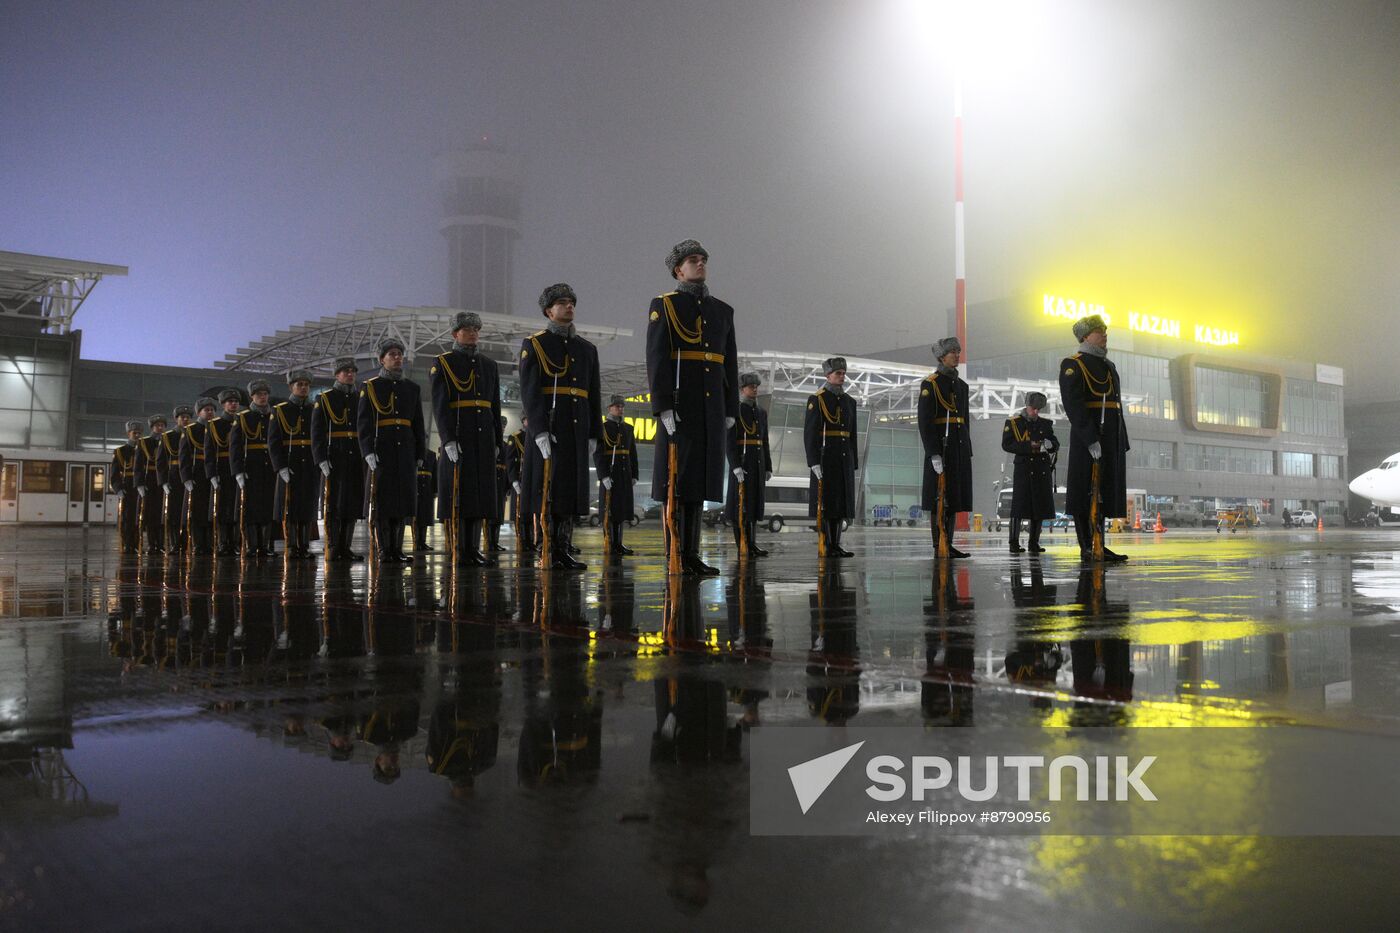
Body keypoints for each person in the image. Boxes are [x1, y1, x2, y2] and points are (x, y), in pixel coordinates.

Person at [646, 239, 739, 576]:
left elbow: (730, 365)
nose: (700, 264)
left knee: (699, 483)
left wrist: (731, 408)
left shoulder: (722, 311)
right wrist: (663, 407)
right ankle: (675, 554)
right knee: (678, 482)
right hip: (681, 407)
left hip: (711, 408)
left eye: (703, 259)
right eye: (692, 260)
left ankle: (692, 554)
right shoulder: (665, 306)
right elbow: (657, 359)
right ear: (678, 269)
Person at [520, 283, 601, 571]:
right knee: (548, 489)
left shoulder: (586, 349)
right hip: (551, 427)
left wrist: (594, 432)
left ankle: (564, 547)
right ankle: (547, 546)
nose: (569, 307)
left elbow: (593, 394)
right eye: (562, 303)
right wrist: (539, 429)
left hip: (577, 428)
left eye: (571, 302)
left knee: (569, 491)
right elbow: (530, 391)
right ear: (548, 310)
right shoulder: (535, 344)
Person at [429, 311, 504, 566]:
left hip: (483, 439)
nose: (472, 332)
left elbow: (495, 406)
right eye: (467, 329)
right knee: (460, 496)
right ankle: (460, 549)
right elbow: (440, 406)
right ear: (455, 334)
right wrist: (448, 439)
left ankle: (473, 549)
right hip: (460, 437)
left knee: (480, 496)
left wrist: (496, 440)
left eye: (475, 329)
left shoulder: (489, 365)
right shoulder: (444, 363)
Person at [1059, 315, 1130, 562]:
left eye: (1105, 330)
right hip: (1087, 439)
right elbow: (1074, 405)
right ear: (1085, 336)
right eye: (1099, 331)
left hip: (1110, 438)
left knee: (1103, 492)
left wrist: (1122, 440)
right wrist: (1090, 438)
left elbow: (1116, 406)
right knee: (1084, 492)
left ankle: (1099, 542)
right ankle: (1087, 545)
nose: (1105, 334)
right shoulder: (1073, 364)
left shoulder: (1108, 366)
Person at [358, 337, 427, 563]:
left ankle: (397, 548)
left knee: (402, 502)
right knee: (383, 502)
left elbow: (418, 423)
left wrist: (419, 453)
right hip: (382, 451)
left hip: (405, 451)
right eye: (392, 355)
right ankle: (383, 549)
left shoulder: (412, 388)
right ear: (382, 360)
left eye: (399, 354)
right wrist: (367, 450)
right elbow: (364, 422)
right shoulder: (371, 387)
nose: (397, 358)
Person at [920, 337, 973, 559]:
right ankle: (938, 544)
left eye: (958, 352)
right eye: (952, 352)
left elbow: (964, 420)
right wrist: (933, 452)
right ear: (942, 356)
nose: (957, 356)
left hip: (958, 448)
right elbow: (925, 420)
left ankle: (948, 543)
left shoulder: (961, 386)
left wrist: (967, 450)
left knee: (953, 498)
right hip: (941, 448)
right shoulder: (931, 384)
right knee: (938, 499)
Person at [805, 357, 859, 558]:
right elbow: (810, 433)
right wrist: (813, 461)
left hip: (844, 458)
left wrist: (854, 461)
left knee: (841, 504)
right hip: (826, 458)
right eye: (838, 373)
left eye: (844, 373)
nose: (842, 377)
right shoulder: (817, 399)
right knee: (827, 503)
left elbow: (852, 434)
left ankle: (836, 544)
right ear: (828, 375)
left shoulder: (849, 402)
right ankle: (827, 543)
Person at [312, 358, 365, 561]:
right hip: (335, 455)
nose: (350, 374)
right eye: (345, 371)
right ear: (337, 374)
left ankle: (346, 546)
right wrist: (321, 458)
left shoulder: (360, 397)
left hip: (355, 455)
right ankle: (333, 545)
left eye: (352, 371)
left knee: (352, 502)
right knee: (333, 502)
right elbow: (317, 432)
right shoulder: (325, 399)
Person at [268, 370, 318, 559]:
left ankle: (304, 545)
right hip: (290, 464)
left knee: (307, 506)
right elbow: (273, 442)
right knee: (290, 506)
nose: (303, 388)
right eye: (299, 384)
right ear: (291, 387)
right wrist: (280, 466)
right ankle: (291, 545)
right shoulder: (280, 410)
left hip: (309, 464)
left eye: (306, 384)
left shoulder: (315, 409)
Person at [1001, 390, 1059, 554]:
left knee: (1039, 507)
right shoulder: (1013, 423)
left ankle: (1034, 542)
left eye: (1038, 409)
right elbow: (1007, 444)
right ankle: (1013, 543)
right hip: (1024, 468)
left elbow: (1055, 443)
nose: (1036, 412)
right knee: (1019, 507)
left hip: (1041, 468)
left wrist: (1051, 444)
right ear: (1027, 406)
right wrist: (1029, 446)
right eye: (1033, 408)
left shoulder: (1045, 424)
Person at [725, 372, 773, 557]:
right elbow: (729, 441)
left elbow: (765, 441)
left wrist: (768, 466)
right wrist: (735, 465)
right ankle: (742, 544)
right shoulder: (735, 411)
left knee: (753, 506)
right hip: (743, 464)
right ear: (742, 389)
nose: (755, 389)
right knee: (741, 507)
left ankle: (752, 543)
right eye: (751, 386)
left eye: (756, 386)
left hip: (757, 464)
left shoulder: (761, 413)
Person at [230, 380, 277, 559]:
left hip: (270, 468)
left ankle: (266, 545)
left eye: (265, 394)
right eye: (259, 394)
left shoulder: (274, 415)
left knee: (268, 507)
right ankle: (252, 545)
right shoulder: (243, 417)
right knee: (251, 507)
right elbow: (235, 447)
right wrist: (238, 470)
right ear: (252, 397)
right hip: (251, 468)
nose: (263, 397)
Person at [595, 394, 640, 556]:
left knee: (621, 511)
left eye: (622, 406)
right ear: (609, 408)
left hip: (624, 474)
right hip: (611, 474)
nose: (620, 409)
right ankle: (610, 543)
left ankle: (618, 543)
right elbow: (598, 454)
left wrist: (634, 474)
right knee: (610, 510)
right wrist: (603, 475)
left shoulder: (628, 428)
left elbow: (632, 453)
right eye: (617, 406)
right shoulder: (603, 428)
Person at [204, 389, 244, 556]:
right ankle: (222, 542)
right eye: (229, 401)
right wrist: (212, 473)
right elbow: (209, 452)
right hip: (222, 469)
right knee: (222, 507)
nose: (233, 404)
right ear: (223, 404)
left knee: (238, 507)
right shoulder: (214, 425)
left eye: (235, 401)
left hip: (240, 470)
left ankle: (236, 542)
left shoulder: (243, 421)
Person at [180, 398, 217, 556]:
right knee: (197, 510)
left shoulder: (216, 427)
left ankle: (210, 543)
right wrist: (186, 477)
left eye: (211, 409)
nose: (210, 412)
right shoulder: (190, 430)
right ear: (198, 412)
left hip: (214, 473)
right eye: (206, 410)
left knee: (211, 510)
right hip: (198, 473)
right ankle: (197, 543)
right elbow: (184, 456)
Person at [156, 405, 192, 553]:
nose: (185, 419)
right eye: (182, 417)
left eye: (188, 417)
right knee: (174, 512)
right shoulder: (168, 436)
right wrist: (163, 481)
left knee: (188, 512)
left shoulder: (193, 433)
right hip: (174, 477)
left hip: (190, 475)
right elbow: (161, 461)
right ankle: (175, 543)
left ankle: (188, 542)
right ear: (176, 419)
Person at [133, 413, 168, 554]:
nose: (160, 428)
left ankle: (161, 544)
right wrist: (139, 483)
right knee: (150, 514)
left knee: (162, 514)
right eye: (157, 426)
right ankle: (152, 544)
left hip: (164, 480)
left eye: (162, 426)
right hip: (150, 480)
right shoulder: (144, 442)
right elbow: (138, 465)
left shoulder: (168, 440)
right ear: (152, 427)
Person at [111, 419, 144, 555]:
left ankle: (137, 544)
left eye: (139, 433)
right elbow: (114, 474)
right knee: (127, 519)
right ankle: (127, 545)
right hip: (127, 488)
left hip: (140, 488)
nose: (137, 435)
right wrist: (118, 489)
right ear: (128, 433)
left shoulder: (144, 449)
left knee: (139, 518)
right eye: (134, 433)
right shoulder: (120, 451)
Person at [504, 418, 532, 553]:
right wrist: (513, 480)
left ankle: (531, 540)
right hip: (520, 480)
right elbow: (510, 460)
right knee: (520, 513)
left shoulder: (535, 435)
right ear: (523, 421)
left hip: (532, 479)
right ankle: (522, 540)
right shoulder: (515, 438)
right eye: (527, 419)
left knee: (531, 512)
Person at [490, 415, 511, 555]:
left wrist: (508, 486)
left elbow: (508, 466)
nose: (502, 429)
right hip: (491, 483)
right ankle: (488, 541)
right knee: (490, 514)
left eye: (504, 427)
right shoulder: (489, 443)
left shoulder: (505, 445)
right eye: (501, 426)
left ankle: (495, 542)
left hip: (501, 482)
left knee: (499, 515)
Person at [414, 448, 438, 552]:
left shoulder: (432, 455)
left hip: (427, 488)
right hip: (416, 486)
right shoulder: (412, 451)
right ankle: (416, 541)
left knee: (425, 516)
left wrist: (435, 490)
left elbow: (435, 473)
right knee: (416, 516)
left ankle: (422, 541)